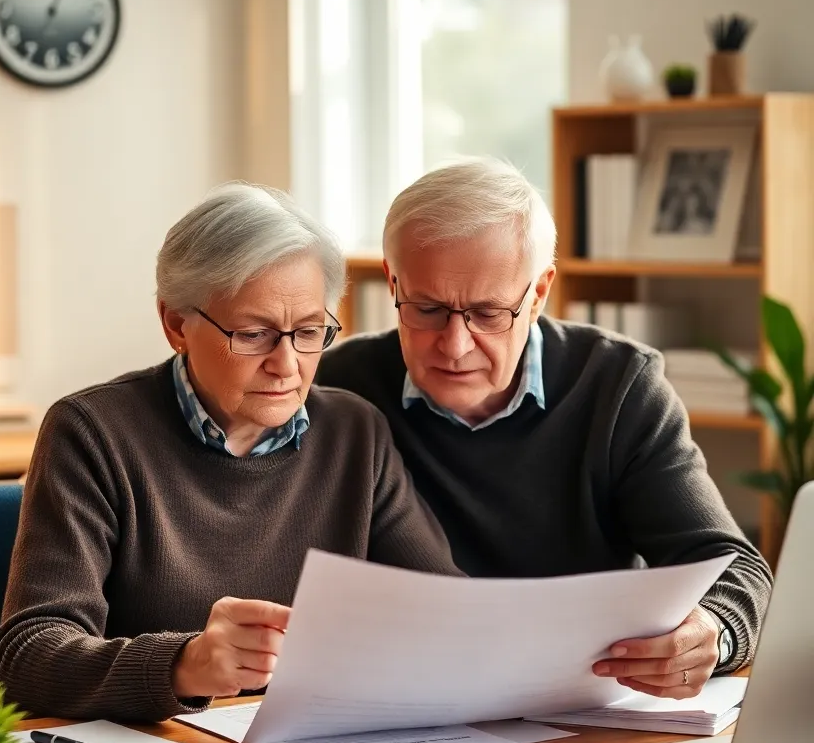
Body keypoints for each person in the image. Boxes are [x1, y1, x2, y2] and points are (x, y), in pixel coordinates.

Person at [0, 182, 461, 724]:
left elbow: (444, 609)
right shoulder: (94, 433)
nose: (287, 365)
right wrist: (183, 665)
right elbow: (25, 657)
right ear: (175, 326)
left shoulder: (355, 431)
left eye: (310, 331)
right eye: (254, 334)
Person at [317, 157, 772, 700]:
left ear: (538, 293)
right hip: (397, 701)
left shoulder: (618, 385)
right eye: (429, 308)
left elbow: (732, 565)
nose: (455, 345)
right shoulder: (339, 387)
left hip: (581, 711)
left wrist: (712, 634)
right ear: (393, 281)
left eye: (488, 312)